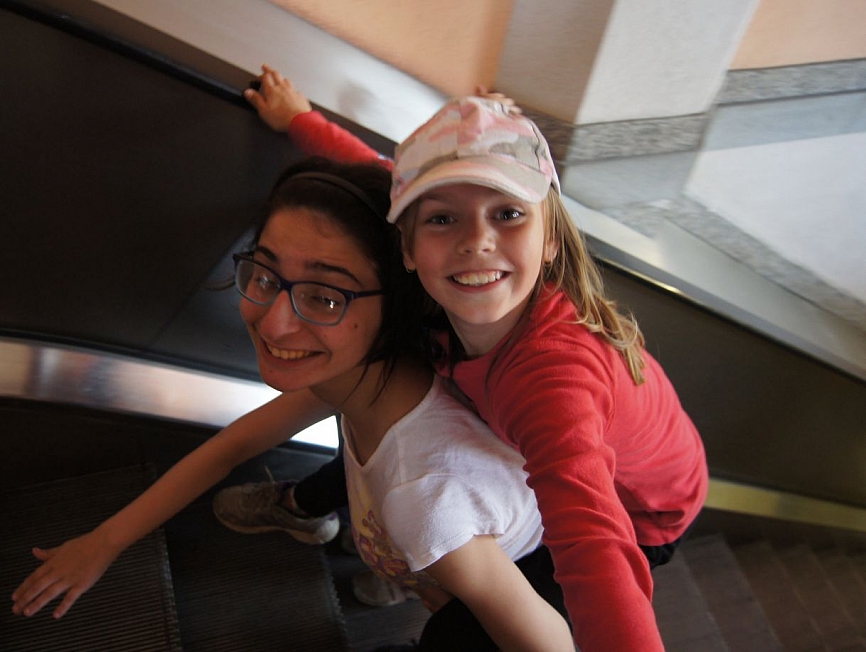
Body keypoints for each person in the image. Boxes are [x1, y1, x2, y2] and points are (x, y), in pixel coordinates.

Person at [231, 66, 710, 652]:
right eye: (442, 218)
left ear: (551, 239)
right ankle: (334, 524)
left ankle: (416, 576)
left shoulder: (554, 381)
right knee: (391, 420)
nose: (475, 240)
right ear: (407, 244)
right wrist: (300, 120)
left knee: (465, 632)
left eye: (507, 213)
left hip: (642, 510)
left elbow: (594, 545)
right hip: (539, 444)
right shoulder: (447, 305)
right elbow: (378, 177)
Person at [11, 156, 574, 652]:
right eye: (264, 274)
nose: (274, 322)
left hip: (515, 576)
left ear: (397, 302)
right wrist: (103, 543)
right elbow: (233, 445)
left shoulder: (425, 498)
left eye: (324, 297)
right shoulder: (367, 373)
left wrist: (452, 590)